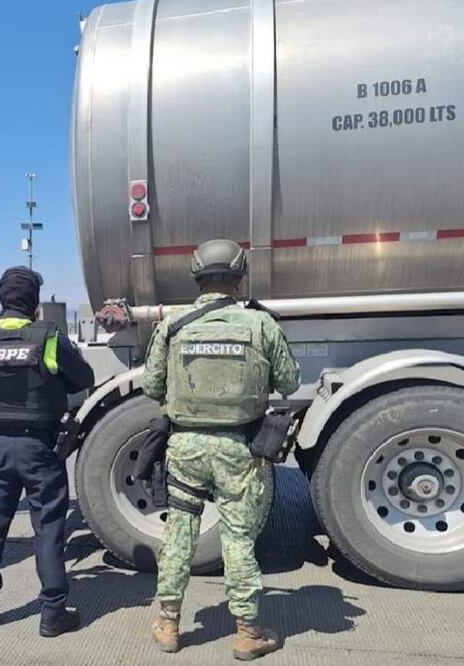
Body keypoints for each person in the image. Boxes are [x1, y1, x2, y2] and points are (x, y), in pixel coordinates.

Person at [143, 239, 300, 660]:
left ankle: (168, 624)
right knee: (238, 537)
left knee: (180, 531)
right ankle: (248, 632)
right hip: (240, 449)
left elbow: (151, 386)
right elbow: (289, 381)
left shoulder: (174, 325)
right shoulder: (261, 325)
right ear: (240, 276)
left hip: (186, 447)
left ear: (196, 277)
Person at [0, 267, 95, 637]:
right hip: (39, 449)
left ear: (2, 299)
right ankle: (52, 615)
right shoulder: (48, 337)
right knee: (47, 530)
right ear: (33, 303)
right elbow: (85, 379)